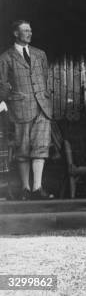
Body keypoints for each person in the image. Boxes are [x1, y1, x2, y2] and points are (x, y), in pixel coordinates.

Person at [0, 20, 53, 200]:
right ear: (16, 33)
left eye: (30, 30)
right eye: (25, 30)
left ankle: (37, 188)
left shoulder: (40, 54)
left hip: (42, 108)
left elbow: (44, 77)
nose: (29, 33)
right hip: (20, 107)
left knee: (41, 148)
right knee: (22, 148)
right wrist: (4, 100)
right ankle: (25, 188)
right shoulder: (6, 57)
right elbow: (3, 83)